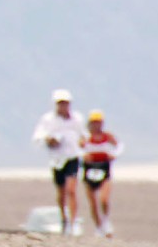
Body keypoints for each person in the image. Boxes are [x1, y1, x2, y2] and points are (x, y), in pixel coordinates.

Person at [31, 88, 88, 236]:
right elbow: (38, 136)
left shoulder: (77, 119)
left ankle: (73, 223)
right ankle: (64, 217)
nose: (63, 106)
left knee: (71, 190)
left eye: (65, 103)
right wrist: (48, 140)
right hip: (57, 160)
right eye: (60, 103)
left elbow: (84, 135)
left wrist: (82, 142)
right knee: (61, 193)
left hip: (73, 157)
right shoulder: (48, 119)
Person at [79, 109, 123, 238]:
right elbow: (75, 149)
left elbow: (119, 146)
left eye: (98, 122)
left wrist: (114, 155)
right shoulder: (86, 137)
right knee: (93, 202)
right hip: (89, 170)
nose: (96, 125)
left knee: (103, 199)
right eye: (94, 122)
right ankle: (98, 227)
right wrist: (84, 155)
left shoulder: (107, 136)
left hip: (104, 169)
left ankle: (106, 221)